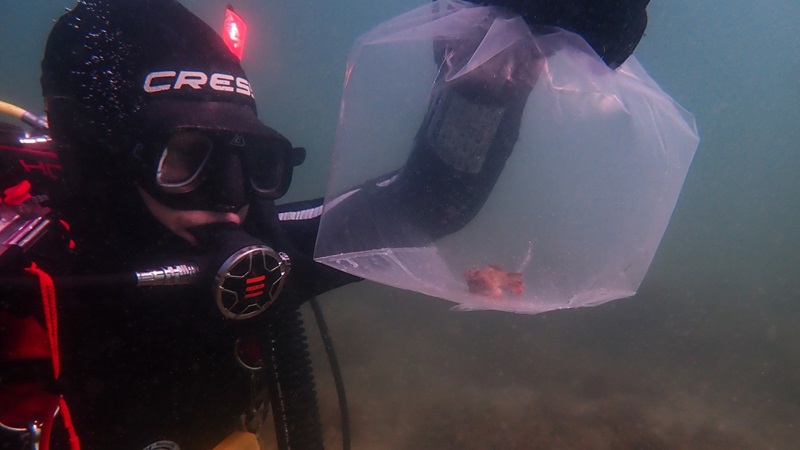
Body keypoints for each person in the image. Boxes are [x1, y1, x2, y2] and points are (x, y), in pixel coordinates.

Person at [0, 0, 649, 449]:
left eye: (252, 161)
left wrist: (483, 84)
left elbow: (425, 203)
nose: (232, 202)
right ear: (103, 163)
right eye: (187, 158)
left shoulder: (257, 254)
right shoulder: (17, 282)